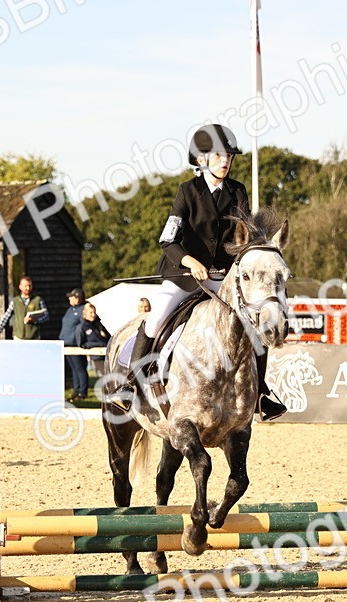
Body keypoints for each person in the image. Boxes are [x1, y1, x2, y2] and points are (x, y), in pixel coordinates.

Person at [122, 124, 286, 420]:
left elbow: (244, 236)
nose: (226, 161)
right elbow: (167, 240)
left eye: (229, 156)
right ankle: (130, 385)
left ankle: (260, 393)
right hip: (184, 276)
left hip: (222, 278)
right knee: (156, 318)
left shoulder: (237, 191)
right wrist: (190, 262)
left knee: (252, 325)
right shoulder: (187, 191)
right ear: (201, 159)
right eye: (219, 155)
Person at [61, 288, 89, 402]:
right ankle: (76, 391)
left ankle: (82, 392)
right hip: (67, 343)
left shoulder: (82, 310)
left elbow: (84, 326)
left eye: (71, 297)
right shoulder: (70, 310)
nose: (69, 298)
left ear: (78, 298)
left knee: (80, 368)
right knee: (74, 368)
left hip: (75, 344)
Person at [75, 302, 111, 384]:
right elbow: (82, 344)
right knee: (107, 377)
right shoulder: (81, 327)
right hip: (97, 357)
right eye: (91, 312)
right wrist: (98, 344)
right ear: (85, 313)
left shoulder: (99, 325)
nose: (93, 315)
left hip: (107, 354)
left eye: (94, 312)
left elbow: (108, 337)